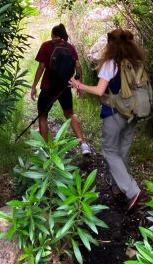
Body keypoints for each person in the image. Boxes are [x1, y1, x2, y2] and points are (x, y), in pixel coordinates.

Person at [70, 28, 144, 210]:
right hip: (134, 111)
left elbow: (99, 91)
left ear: (111, 44)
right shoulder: (136, 61)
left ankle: (132, 190)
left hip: (114, 112)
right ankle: (117, 186)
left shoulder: (110, 64)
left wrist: (78, 84)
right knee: (123, 149)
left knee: (110, 151)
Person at [30, 23, 92, 156]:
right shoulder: (70, 47)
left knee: (42, 115)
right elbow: (78, 66)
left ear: (53, 34)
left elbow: (41, 67)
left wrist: (34, 85)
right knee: (70, 114)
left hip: (48, 86)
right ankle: (84, 144)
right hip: (65, 87)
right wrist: (79, 85)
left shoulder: (46, 45)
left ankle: (45, 150)